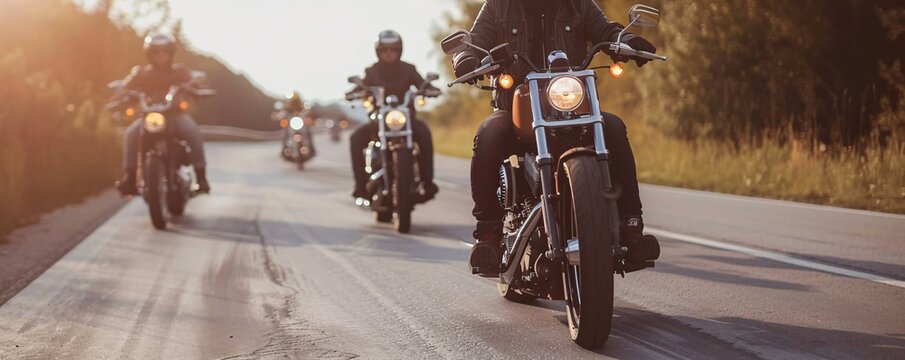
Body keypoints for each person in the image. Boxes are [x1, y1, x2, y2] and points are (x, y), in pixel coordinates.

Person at [452, 0, 659, 274]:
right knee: (488, 136)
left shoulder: (579, 4)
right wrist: (465, 58)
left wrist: (628, 40)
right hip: (517, 106)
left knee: (613, 128)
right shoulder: (499, 5)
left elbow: (607, 30)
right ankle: (489, 233)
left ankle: (630, 226)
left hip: (572, 106)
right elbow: (475, 40)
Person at [349, 30, 440, 202]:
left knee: (425, 133)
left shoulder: (409, 69)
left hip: (407, 121)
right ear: (378, 51)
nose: (389, 53)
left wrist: (430, 89)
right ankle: (361, 186)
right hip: (378, 120)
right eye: (385, 49)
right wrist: (354, 91)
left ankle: (427, 183)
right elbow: (362, 86)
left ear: (400, 50)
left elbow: (422, 84)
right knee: (355, 138)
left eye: (394, 49)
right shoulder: (372, 71)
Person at [115, 34, 210, 195]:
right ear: (149, 54)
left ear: (171, 53)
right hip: (148, 118)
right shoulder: (141, 73)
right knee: (131, 134)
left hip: (174, 116)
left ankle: (201, 178)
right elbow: (125, 86)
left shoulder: (179, 71)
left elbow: (192, 82)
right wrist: (122, 95)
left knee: (192, 130)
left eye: (165, 52)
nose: (161, 56)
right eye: (156, 52)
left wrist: (196, 90)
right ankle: (130, 178)